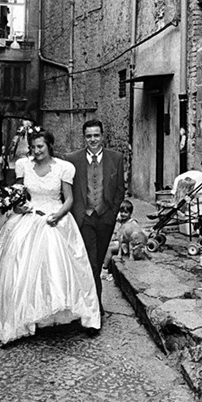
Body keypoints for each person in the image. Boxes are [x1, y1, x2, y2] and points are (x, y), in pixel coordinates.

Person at [0, 129, 100, 344]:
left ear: (49, 146)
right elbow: (18, 194)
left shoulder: (63, 168)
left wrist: (58, 215)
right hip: (29, 216)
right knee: (19, 264)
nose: (36, 151)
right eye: (33, 147)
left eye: (40, 147)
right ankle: (20, 318)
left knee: (55, 263)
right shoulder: (23, 165)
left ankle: (53, 310)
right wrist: (18, 207)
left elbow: (69, 199)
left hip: (55, 215)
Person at [65, 119, 125, 319]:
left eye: (96, 135)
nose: (93, 139)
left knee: (97, 264)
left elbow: (120, 189)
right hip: (84, 219)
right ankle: (94, 311)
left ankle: (88, 305)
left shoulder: (116, 158)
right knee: (91, 264)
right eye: (89, 136)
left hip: (105, 218)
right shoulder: (72, 159)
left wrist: (112, 214)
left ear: (102, 136)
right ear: (84, 137)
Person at [103, 199, 142, 276]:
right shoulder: (122, 220)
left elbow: (137, 234)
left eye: (126, 212)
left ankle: (105, 268)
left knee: (109, 249)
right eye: (121, 212)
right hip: (122, 242)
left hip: (128, 245)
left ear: (130, 213)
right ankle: (106, 263)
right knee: (106, 244)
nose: (123, 214)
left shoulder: (132, 222)